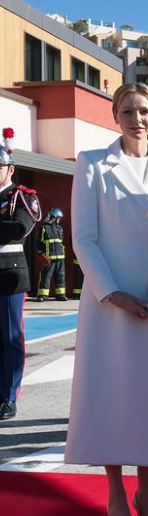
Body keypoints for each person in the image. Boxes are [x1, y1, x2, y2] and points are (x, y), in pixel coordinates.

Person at [64, 83, 148, 516]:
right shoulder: (93, 164)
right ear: (114, 116)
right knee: (113, 394)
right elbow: (84, 238)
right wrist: (111, 292)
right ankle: (116, 491)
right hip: (112, 302)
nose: (136, 118)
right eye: (127, 111)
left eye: (144, 110)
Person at [0, 128, 42, 421]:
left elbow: (20, 228)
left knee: (10, 338)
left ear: (10, 168)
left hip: (9, 276)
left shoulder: (20, 196)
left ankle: (8, 395)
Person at [36, 208, 67, 301]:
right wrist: (40, 254)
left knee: (60, 277)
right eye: (58, 218)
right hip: (49, 258)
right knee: (46, 277)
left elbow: (60, 242)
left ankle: (60, 295)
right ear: (54, 217)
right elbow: (38, 243)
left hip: (60, 258)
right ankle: (42, 295)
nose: (59, 220)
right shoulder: (44, 229)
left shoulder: (59, 229)